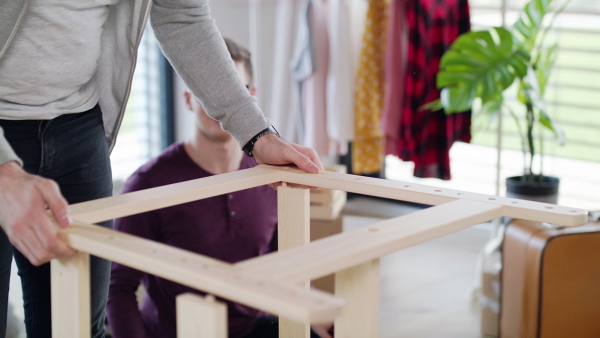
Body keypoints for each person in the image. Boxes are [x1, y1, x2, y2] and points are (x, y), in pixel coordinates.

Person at [0, 1, 323, 337]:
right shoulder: (151, 179)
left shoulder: (255, 185)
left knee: (76, 328)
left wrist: (257, 133)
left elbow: (183, 15)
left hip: (78, 125)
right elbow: (120, 288)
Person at [107, 38, 329, 338]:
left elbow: (284, 261)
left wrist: (319, 317)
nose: (218, 105)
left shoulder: (269, 177)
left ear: (250, 97)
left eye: (232, 92)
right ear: (187, 98)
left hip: (252, 327)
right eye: (206, 94)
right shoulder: (148, 183)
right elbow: (118, 289)